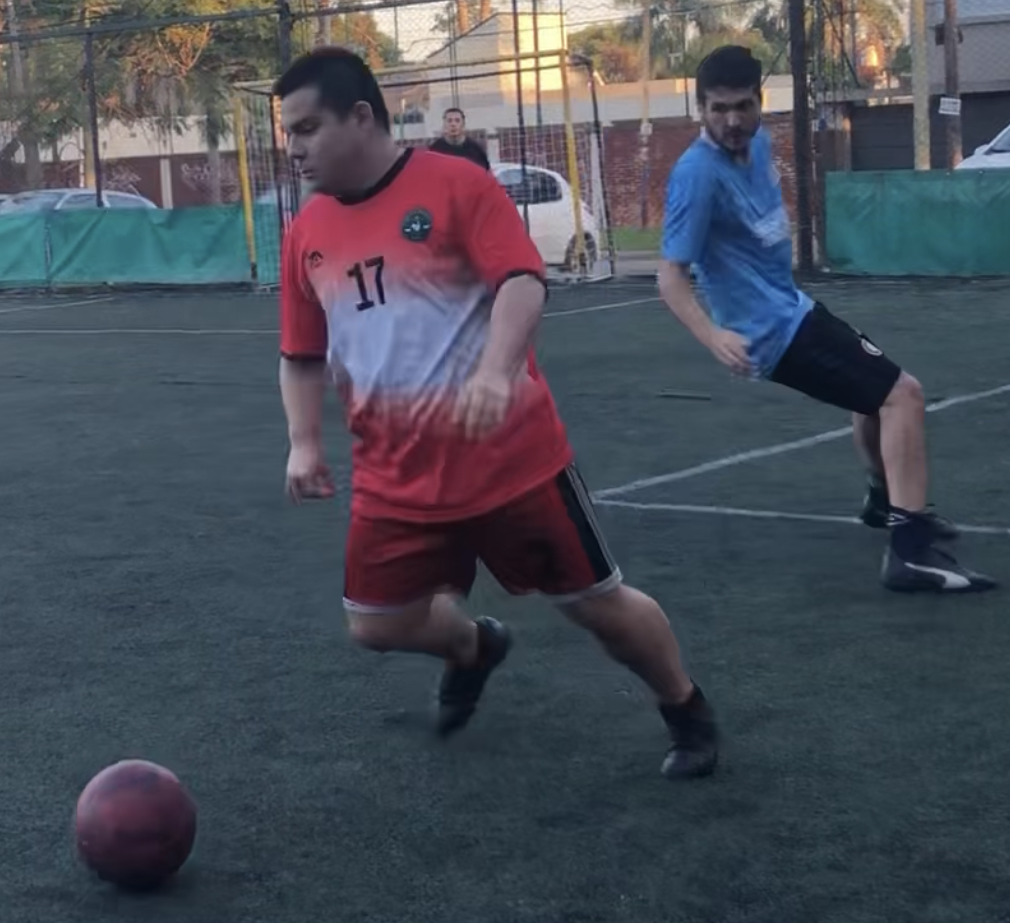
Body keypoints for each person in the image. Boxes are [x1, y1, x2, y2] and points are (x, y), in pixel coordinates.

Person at [274, 47, 719, 780]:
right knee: (375, 623)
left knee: (598, 606)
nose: (293, 148)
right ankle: (474, 647)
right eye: (288, 132)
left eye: (306, 128)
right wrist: (302, 441)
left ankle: (685, 705)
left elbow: (522, 281)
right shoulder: (305, 234)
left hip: (513, 465)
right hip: (394, 479)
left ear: (360, 117)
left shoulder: (457, 185)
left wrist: (495, 369)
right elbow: (300, 353)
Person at [655, 45, 993, 594]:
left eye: (742, 106)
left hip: (793, 308)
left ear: (760, 101)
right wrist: (713, 335)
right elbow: (670, 277)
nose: (732, 121)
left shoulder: (759, 142)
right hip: (771, 333)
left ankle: (885, 501)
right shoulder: (696, 175)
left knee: (874, 396)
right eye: (718, 109)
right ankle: (910, 554)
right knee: (903, 395)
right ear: (701, 109)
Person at [427, 107, 491, 171]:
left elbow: (485, 172)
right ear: (444, 125)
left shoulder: (475, 149)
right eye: (449, 121)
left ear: (463, 124)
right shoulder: (435, 149)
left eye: (457, 121)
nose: (453, 124)